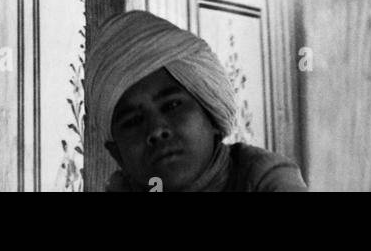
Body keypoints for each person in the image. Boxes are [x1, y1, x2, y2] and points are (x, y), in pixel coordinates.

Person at [86, 10, 308, 193]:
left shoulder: (264, 178)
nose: (156, 130)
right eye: (133, 121)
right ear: (117, 154)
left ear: (211, 115)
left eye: (172, 106)